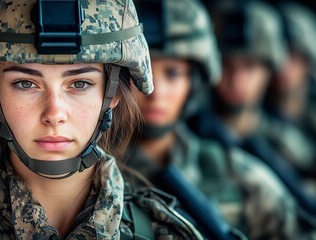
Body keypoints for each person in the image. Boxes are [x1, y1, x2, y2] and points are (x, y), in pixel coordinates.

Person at [0, 0, 205, 239]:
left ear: (113, 93)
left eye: (79, 83)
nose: (54, 114)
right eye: (25, 83)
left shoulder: (164, 233)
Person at [125, 0, 299, 239]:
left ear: (194, 83)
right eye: (139, 73)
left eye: (173, 73)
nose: (156, 91)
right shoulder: (84, 182)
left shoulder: (245, 181)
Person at [187, 0, 316, 236]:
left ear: (270, 68)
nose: (236, 80)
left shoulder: (285, 141)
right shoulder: (189, 139)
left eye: (250, 66)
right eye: (227, 65)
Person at [263, 2, 316, 193]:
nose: (284, 65)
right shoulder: (259, 123)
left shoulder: (310, 118)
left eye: (293, 56)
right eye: (279, 54)